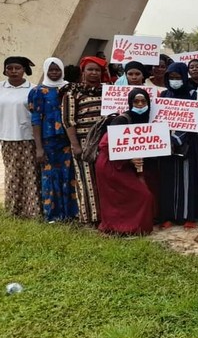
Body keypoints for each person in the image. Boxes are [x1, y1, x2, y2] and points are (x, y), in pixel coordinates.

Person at [95, 88, 155, 235]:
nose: (140, 104)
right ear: (130, 103)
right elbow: (108, 145)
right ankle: (118, 227)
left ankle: (132, 227)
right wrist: (129, 158)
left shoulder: (148, 119)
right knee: (139, 195)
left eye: (143, 101)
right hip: (111, 164)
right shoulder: (121, 120)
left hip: (126, 164)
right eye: (136, 101)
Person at [28, 58, 77, 222]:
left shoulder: (70, 88)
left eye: (57, 70)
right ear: (46, 71)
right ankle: (53, 214)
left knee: (68, 175)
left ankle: (70, 213)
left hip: (67, 140)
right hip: (48, 141)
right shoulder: (38, 91)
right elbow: (36, 120)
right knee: (50, 176)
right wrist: (39, 148)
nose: (54, 73)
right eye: (51, 70)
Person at [158, 62, 198, 228]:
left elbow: (193, 119)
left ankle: (188, 216)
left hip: (188, 144)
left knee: (187, 180)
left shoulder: (193, 94)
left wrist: (177, 139)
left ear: (185, 77)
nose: (174, 81)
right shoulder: (163, 95)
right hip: (165, 145)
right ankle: (168, 216)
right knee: (167, 181)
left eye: (178, 77)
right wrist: (167, 140)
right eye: (171, 78)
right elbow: (158, 119)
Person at [62, 56, 106, 223]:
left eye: (97, 70)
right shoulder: (72, 93)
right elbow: (68, 121)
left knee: (105, 178)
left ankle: (107, 216)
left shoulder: (108, 91)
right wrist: (75, 146)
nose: (94, 73)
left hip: (105, 142)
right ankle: (91, 218)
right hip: (83, 142)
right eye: (90, 69)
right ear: (83, 71)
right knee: (86, 180)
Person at [0, 57, 41, 218]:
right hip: (6, 138)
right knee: (12, 175)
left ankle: (32, 211)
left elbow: (37, 115)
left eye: (18, 68)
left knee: (30, 175)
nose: (14, 71)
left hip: (28, 138)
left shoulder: (33, 89)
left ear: (24, 70)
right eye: (10, 68)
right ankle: (13, 210)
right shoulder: (1, 87)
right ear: (5, 70)